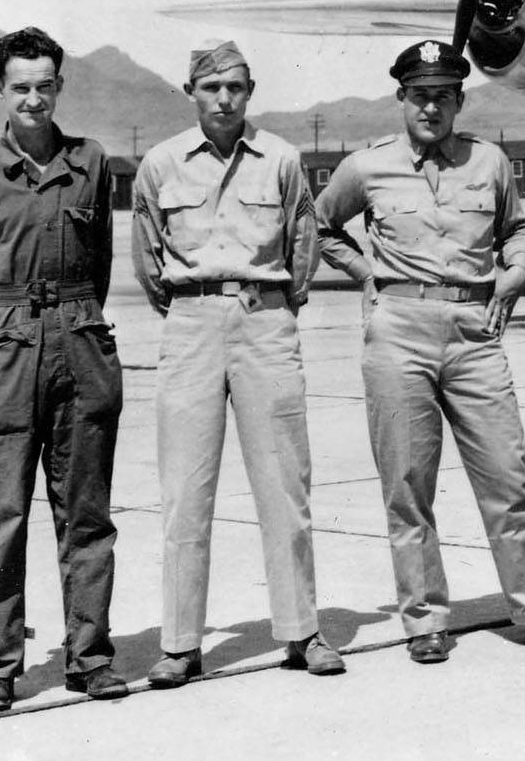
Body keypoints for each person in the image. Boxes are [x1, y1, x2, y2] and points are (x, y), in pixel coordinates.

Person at [313, 39, 525, 666]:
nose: (431, 108)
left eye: (443, 96)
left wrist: (515, 271)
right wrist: (365, 274)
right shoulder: (366, 166)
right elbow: (319, 225)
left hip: (473, 328)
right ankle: (425, 618)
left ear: (458, 100)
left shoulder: (488, 163)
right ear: (401, 99)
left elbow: (515, 229)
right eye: (420, 96)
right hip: (398, 328)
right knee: (407, 483)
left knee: (508, 475)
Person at [132, 38, 341, 687]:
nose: (224, 99)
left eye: (237, 87)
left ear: (250, 92)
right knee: (185, 489)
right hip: (191, 323)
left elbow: (303, 243)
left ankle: (302, 630)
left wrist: (275, 305)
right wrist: (193, 307)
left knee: (284, 483)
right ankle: (180, 643)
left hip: (265, 320)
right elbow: (147, 253)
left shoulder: (280, 158)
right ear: (191, 91)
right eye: (212, 87)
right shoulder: (160, 163)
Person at [0, 26, 128, 713]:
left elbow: (100, 264)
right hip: (2, 354)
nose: (33, 97)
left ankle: (91, 655)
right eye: (20, 85)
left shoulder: (92, 163)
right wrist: (4, 334)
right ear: (1, 89)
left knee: (87, 514)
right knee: (3, 516)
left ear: (59, 86)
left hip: (79, 347)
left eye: (44, 84)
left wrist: (67, 322)